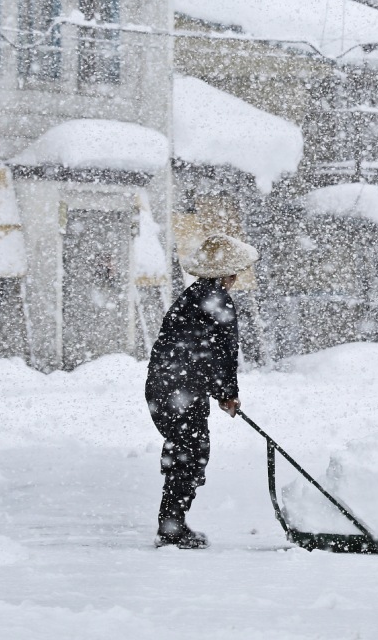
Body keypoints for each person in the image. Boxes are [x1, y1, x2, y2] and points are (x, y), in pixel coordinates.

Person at [145, 233, 259, 549]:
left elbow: (192, 349)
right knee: (191, 453)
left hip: (163, 386)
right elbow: (222, 351)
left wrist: (215, 388)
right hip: (180, 388)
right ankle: (172, 529)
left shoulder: (192, 295)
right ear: (226, 274)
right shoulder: (216, 301)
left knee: (184, 450)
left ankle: (172, 523)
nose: (236, 278)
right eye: (235, 272)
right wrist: (227, 393)